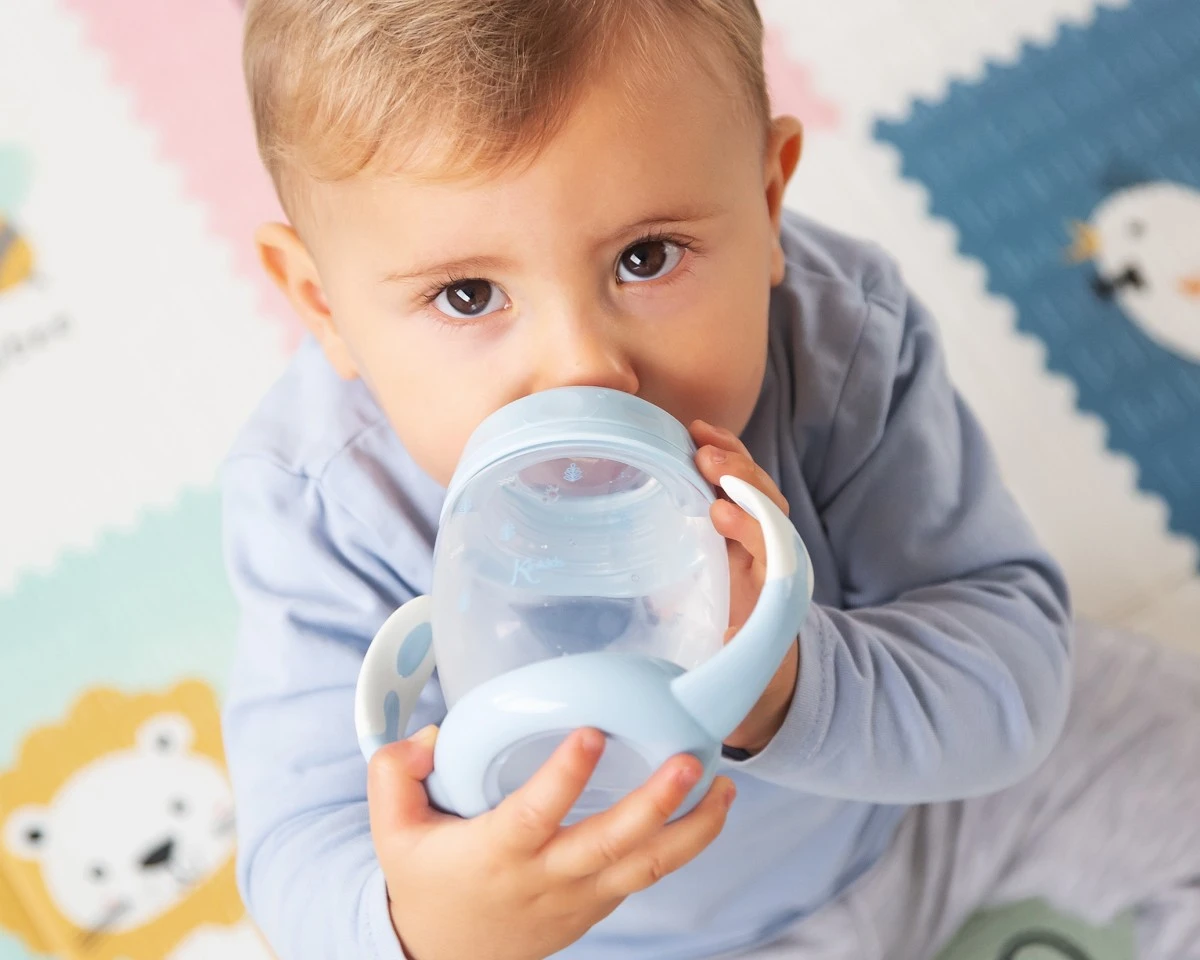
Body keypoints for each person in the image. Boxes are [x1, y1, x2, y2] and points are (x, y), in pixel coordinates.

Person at [220, 1, 1200, 957]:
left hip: (917, 809)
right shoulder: (323, 505)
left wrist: (788, 681)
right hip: (616, 932)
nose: (584, 368)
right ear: (323, 303)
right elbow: (296, 843)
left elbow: (1008, 669)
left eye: (646, 258)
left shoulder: (840, 342)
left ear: (769, 202)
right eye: (468, 295)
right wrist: (431, 930)